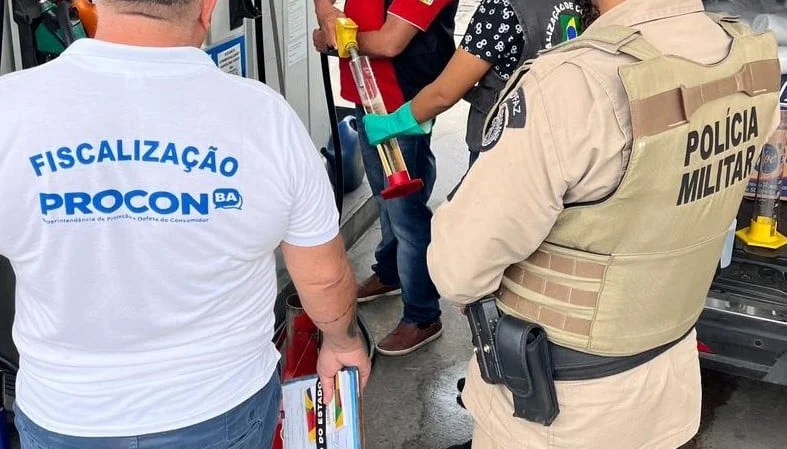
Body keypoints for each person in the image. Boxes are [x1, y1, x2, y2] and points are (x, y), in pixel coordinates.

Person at [0, 1, 371, 448]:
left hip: (65, 415)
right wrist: (343, 341)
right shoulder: (266, 118)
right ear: (208, 9)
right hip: (221, 409)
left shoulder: (9, 109)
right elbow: (324, 277)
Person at [426, 0, 782, 447]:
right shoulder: (750, 60)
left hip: (561, 410)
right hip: (667, 385)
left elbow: (458, 270)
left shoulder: (574, 83)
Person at [312, 0, 458, 356]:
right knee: (384, 198)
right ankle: (390, 271)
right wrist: (326, 13)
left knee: (407, 215)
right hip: (367, 91)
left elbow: (391, 41)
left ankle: (423, 315)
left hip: (401, 109)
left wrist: (335, 39)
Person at [362, 0, 582, 167]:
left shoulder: (503, 9)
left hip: (503, 148)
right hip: (561, 139)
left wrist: (393, 124)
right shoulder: (580, 4)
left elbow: (444, 93)